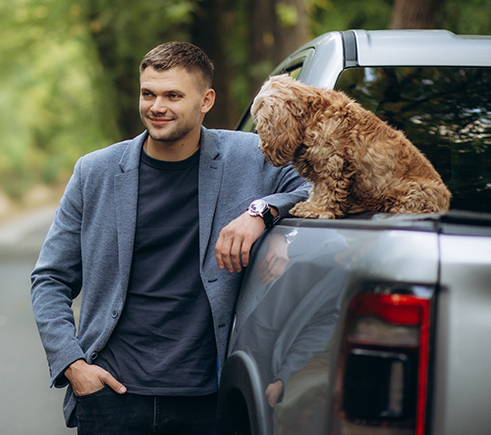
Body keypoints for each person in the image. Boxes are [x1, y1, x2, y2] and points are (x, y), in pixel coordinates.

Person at [30, 41, 310, 434]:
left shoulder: (250, 157)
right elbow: (50, 278)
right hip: (112, 394)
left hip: (210, 398)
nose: (156, 106)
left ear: (206, 100)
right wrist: (74, 366)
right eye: (148, 93)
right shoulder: (94, 173)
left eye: (173, 95)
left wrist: (262, 213)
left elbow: (322, 185)